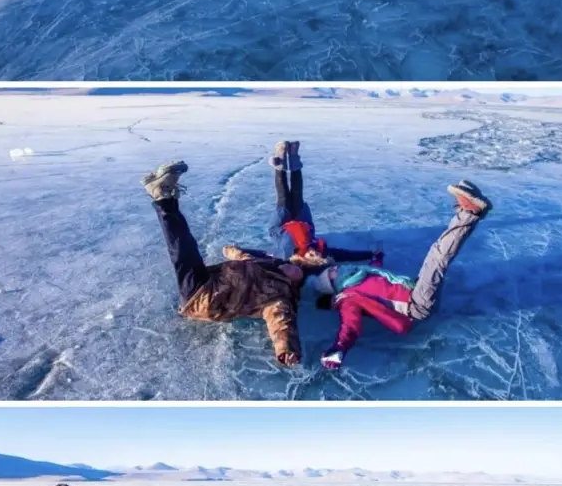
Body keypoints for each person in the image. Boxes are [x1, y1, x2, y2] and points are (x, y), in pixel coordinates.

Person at [312, 181, 492, 369]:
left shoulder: (358, 276)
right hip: (416, 304)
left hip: (415, 292)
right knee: (437, 256)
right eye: (332, 273)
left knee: (438, 256)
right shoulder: (347, 298)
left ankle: (470, 213)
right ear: (333, 285)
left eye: (332, 269)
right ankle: (470, 213)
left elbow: (375, 272)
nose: (336, 269)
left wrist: (376, 257)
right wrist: (339, 348)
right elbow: (350, 326)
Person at [142, 160, 305, 366]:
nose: (292, 266)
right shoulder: (264, 265)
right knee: (185, 243)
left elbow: (281, 323)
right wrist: (230, 250)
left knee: (180, 246)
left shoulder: (279, 296)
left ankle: (162, 195)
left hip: (205, 299)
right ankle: (161, 194)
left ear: (295, 283)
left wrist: (286, 349)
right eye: (294, 265)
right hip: (210, 280)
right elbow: (239, 256)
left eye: (296, 271)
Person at [226, 141, 378, 269]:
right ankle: (293, 156)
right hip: (302, 222)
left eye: (312, 255)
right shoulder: (322, 251)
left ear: (303, 258)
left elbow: (263, 254)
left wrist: (238, 251)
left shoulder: (284, 256)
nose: (316, 253)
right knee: (297, 194)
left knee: (284, 198)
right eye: (318, 255)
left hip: (280, 227)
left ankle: (279, 163)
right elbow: (345, 255)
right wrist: (370, 254)